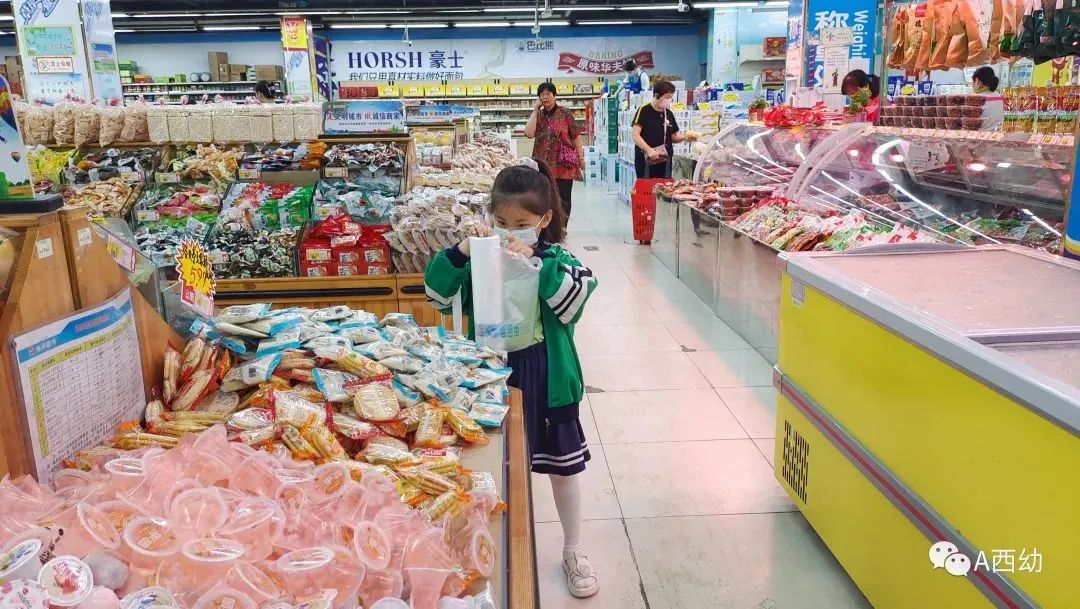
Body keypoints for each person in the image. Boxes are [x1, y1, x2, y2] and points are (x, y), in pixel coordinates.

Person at [423, 157, 600, 599]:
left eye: (521, 224)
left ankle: (574, 549)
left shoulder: (557, 259)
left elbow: (574, 301)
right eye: (501, 222)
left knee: (562, 466)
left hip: (546, 373)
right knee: (492, 464)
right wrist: (462, 252)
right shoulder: (481, 259)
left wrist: (536, 262)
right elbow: (436, 293)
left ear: (544, 220)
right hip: (488, 373)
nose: (509, 232)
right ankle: (480, 549)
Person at [632, 81, 705, 234]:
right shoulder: (644, 111)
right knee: (646, 192)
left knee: (663, 191)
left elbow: (674, 137)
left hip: (664, 161)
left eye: (671, 97)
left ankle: (659, 225)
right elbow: (635, 135)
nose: (669, 100)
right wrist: (649, 150)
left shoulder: (669, 114)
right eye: (666, 97)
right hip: (646, 161)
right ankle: (645, 225)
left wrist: (686, 137)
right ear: (657, 95)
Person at [524, 82, 583, 222]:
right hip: (543, 165)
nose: (545, 97)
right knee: (545, 198)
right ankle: (548, 226)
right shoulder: (538, 115)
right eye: (542, 94)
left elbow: (576, 136)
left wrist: (581, 158)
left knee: (563, 199)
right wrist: (535, 110)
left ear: (554, 95)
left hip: (563, 164)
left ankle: (562, 226)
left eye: (548, 93)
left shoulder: (565, 113)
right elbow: (529, 133)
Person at [972, 66, 1004, 130]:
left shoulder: (977, 99)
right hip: (998, 133)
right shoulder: (999, 96)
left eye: (973, 82)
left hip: (980, 134)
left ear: (977, 81)